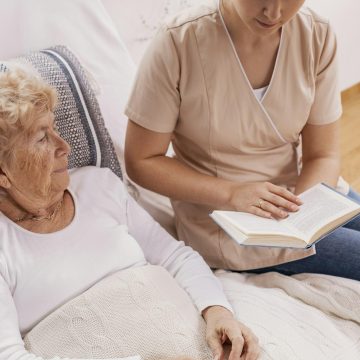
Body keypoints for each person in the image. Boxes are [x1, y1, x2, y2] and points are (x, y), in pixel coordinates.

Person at [0, 68, 260, 360]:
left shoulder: (98, 185)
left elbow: (175, 257)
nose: (65, 147)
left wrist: (217, 313)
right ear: (3, 173)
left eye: (55, 129)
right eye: (41, 139)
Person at [124, 0, 360, 278]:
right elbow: (141, 160)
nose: (273, 12)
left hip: (300, 197)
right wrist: (232, 193)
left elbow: (323, 155)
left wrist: (304, 217)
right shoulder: (178, 42)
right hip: (223, 222)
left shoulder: (316, 34)